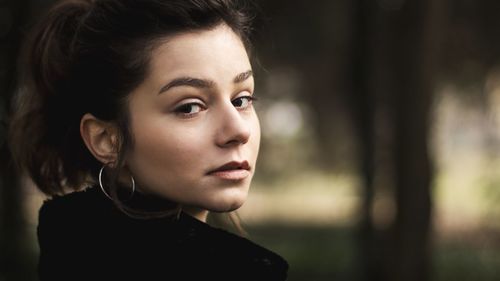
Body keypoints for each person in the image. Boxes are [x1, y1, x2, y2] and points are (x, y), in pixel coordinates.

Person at [8, 0, 289, 280]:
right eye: (189, 107)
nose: (238, 130)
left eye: (241, 100)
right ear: (107, 139)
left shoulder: (72, 247)